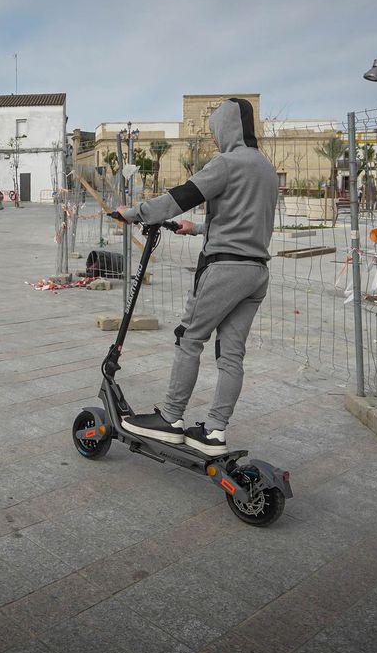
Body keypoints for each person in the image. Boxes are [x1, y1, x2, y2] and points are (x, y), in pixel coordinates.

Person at [113, 98, 277, 454]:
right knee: (231, 354)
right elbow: (247, 219)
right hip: (256, 272)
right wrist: (199, 228)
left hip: (225, 269)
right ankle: (215, 432)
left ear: (228, 128)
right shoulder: (266, 168)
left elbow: (180, 197)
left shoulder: (227, 163)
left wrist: (134, 213)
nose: (214, 138)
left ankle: (171, 418)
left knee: (189, 337)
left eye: (216, 130)